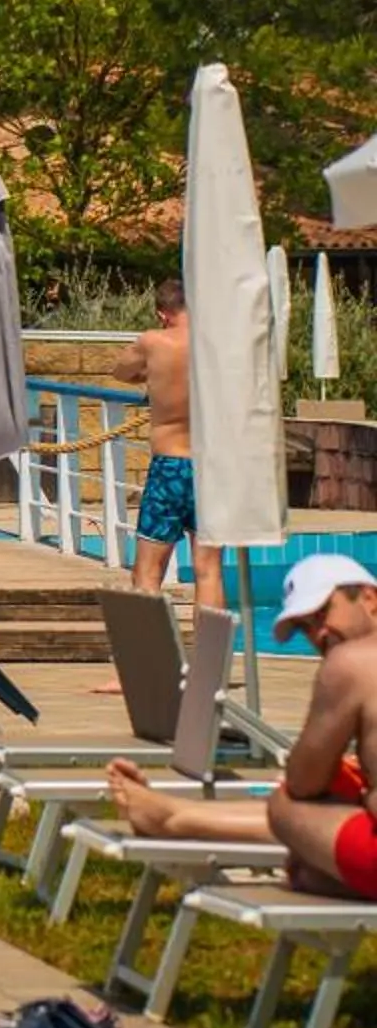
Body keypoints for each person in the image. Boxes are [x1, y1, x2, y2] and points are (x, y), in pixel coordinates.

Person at [107, 553, 377, 896]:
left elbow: (302, 784)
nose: (318, 634)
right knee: (337, 784)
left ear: (369, 597)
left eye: (323, 613)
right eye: (305, 628)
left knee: (286, 806)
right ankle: (175, 816)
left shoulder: (351, 663)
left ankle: (176, 818)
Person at [119, 276, 224, 612]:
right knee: (209, 572)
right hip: (211, 467)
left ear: (162, 314)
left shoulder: (153, 342)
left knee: (148, 574)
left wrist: (147, 373)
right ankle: (210, 662)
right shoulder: (215, 344)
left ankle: (149, 660)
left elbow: (120, 370)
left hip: (170, 466)